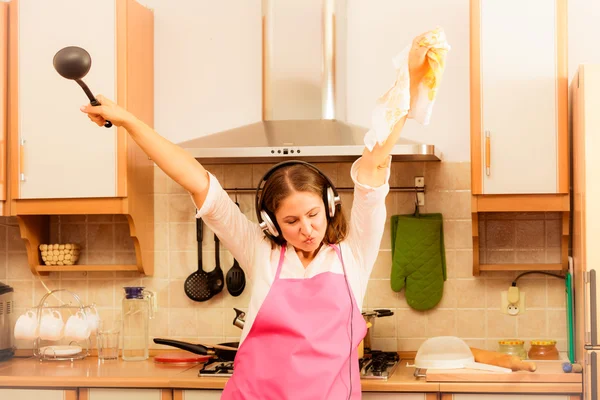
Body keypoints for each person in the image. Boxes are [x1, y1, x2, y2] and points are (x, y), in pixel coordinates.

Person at [81, 31, 434, 400]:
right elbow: (196, 179)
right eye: (291, 222)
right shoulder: (259, 249)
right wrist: (127, 121)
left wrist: (408, 83)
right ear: (271, 224)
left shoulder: (354, 251)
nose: (307, 229)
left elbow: (376, 163)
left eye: (313, 215)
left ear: (331, 205)